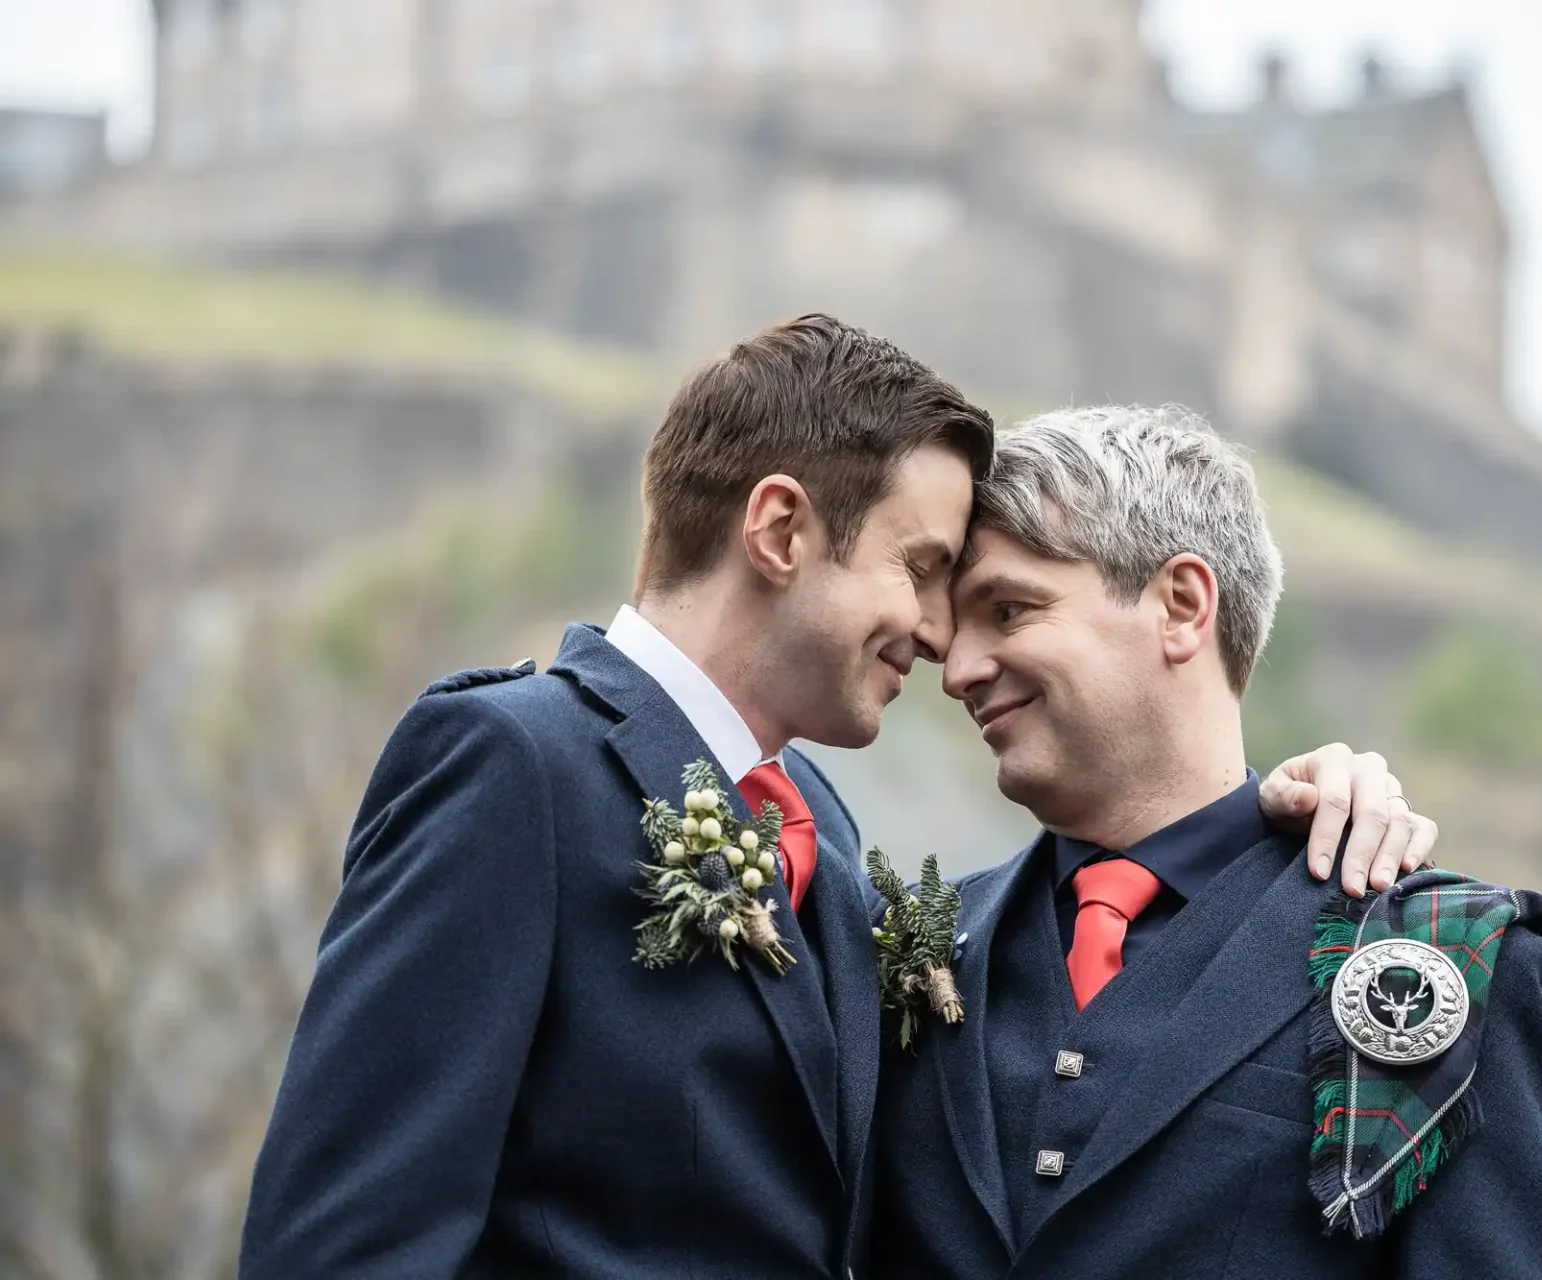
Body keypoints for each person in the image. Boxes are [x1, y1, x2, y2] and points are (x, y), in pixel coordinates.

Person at [238, 317, 1436, 1279]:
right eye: (920, 572)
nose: (937, 639)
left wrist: (1273, 815)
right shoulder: (515, 763)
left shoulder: (823, 823)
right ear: (778, 529)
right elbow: (346, 1242)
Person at [871, 404, 1542, 1279]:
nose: (959, 669)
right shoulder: (891, 948)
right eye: (953, 634)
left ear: (1182, 606)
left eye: (1008, 611)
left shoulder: (1443, 959)